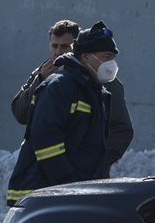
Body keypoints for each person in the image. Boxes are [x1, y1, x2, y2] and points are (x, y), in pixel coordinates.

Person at [7, 21, 118, 203]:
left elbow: (110, 134)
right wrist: (67, 183)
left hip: (73, 192)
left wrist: (98, 173)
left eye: (65, 46)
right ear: (86, 56)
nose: (58, 52)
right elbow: (43, 137)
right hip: (46, 195)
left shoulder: (99, 90)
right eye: (106, 57)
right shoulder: (56, 84)